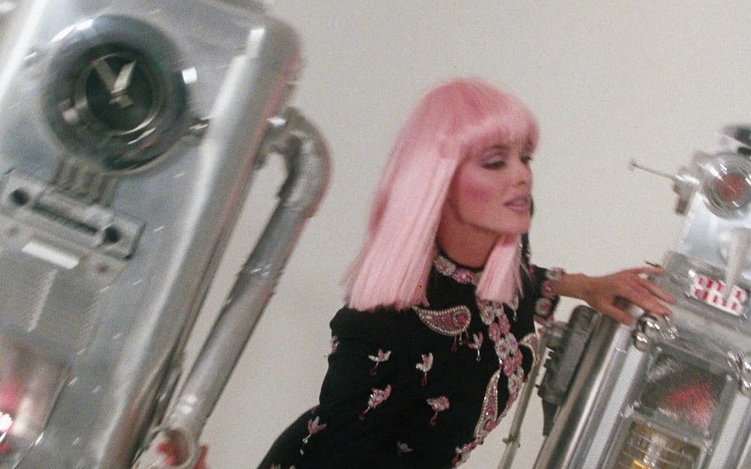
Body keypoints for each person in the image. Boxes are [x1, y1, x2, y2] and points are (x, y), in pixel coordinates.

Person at [257, 78, 674, 469]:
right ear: (437, 182)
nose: (522, 175)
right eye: (495, 162)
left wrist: (586, 286)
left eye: (525, 157)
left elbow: (517, 282)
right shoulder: (383, 327)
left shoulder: (496, 261)